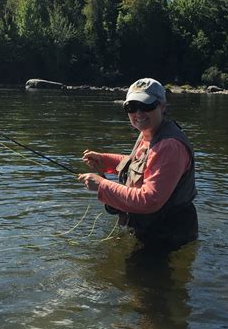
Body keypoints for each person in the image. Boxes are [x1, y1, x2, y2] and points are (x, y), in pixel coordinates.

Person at [78, 77, 198, 251]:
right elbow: (141, 164)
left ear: (163, 107)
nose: (139, 114)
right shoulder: (149, 132)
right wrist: (105, 160)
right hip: (152, 228)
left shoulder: (169, 146)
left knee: (138, 278)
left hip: (168, 235)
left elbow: (149, 200)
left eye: (147, 106)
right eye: (132, 107)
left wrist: (102, 185)